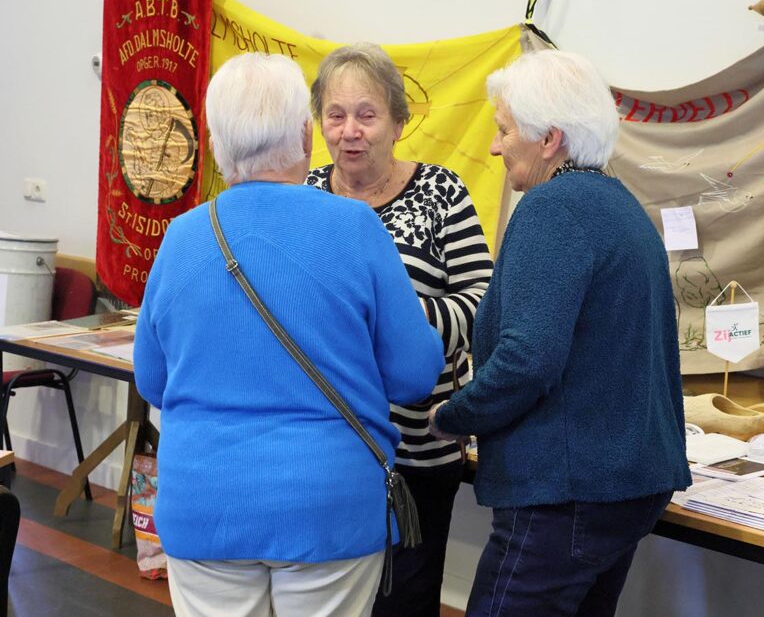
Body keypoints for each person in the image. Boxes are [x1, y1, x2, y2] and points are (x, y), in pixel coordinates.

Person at [133, 52, 444, 617]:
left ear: (216, 141)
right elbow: (415, 374)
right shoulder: (355, 227)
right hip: (326, 504)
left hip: (204, 501)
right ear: (306, 132)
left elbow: (153, 381)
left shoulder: (181, 237)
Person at [428, 50, 691, 617]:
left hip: (566, 494)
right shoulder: (618, 205)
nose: (496, 147)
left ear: (549, 139)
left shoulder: (554, 208)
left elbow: (529, 358)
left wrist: (454, 416)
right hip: (619, 486)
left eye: (503, 131)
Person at [306, 43, 493, 617]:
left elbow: (484, 303)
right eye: (335, 115)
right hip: (326, 440)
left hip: (418, 445)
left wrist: (399, 318)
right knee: (330, 594)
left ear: (397, 121)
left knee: (404, 598)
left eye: (367, 114)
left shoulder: (441, 192)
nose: (349, 131)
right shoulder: (305, 195)